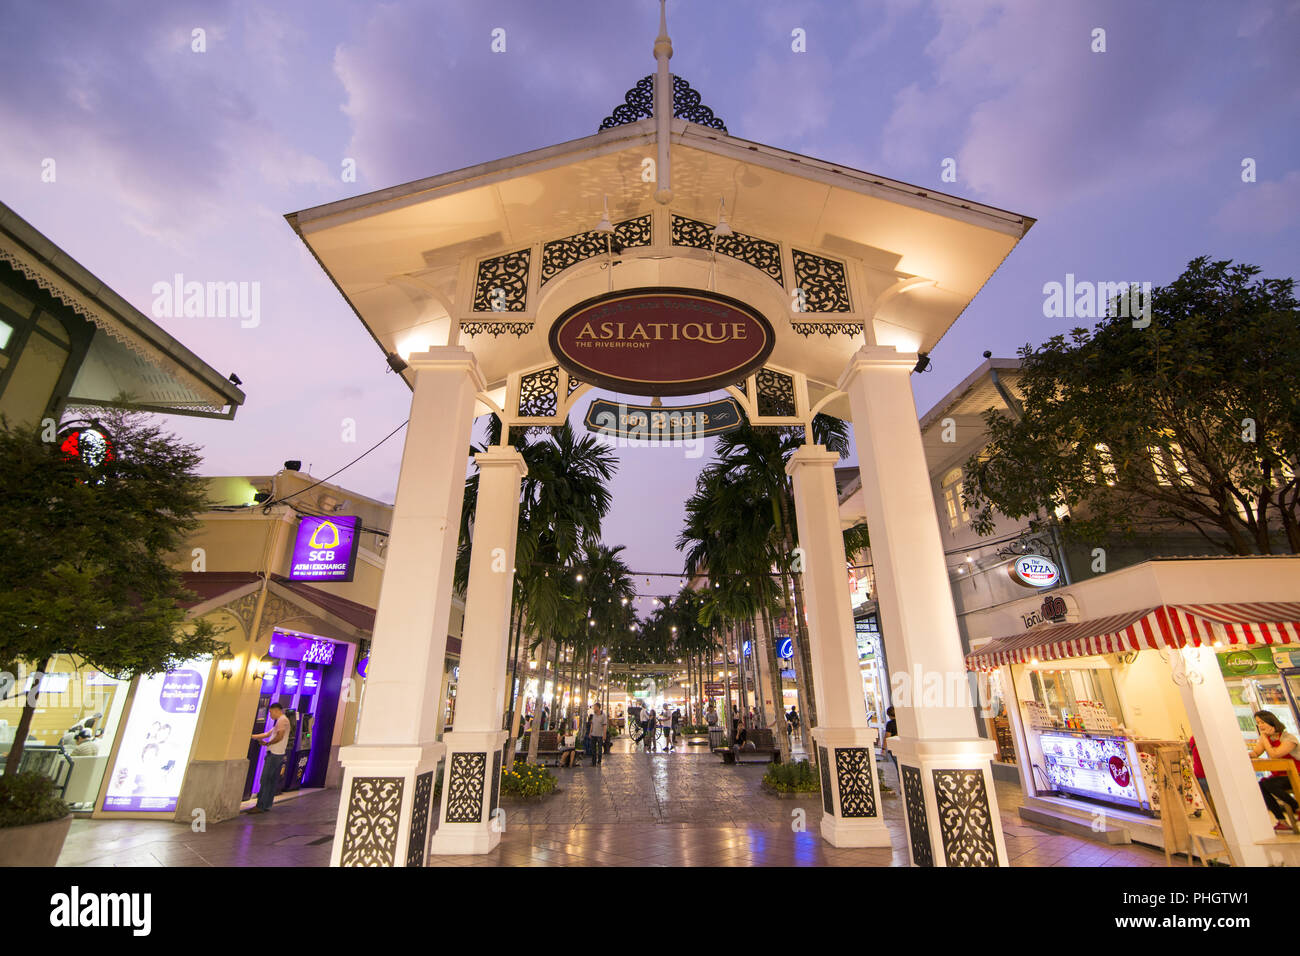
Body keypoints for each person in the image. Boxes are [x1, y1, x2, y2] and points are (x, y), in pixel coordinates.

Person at [1247, 710, 1300, 832]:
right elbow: (1256, 753)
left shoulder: (1288, 738)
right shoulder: (1266, 739)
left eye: (1262, 722)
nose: (1260, 725)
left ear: (1271, 721)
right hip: (1281, 776)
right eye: (1258, 723)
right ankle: (1282, 820)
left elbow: (1274, 754)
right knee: (1261, 785)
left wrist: (1264, 737)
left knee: (1268, 784)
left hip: (1296, 774)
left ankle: (1296, 807)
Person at [247, 702, 290, 813]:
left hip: (274, 755)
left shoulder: (282, 720)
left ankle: (260, 806)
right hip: (278, 754)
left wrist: (267, 744)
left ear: (276, 710)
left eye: (270, 712)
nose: (270, 715)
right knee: (271, 781)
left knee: (265, 780)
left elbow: (279, 736)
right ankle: (266, 805)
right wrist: (251, 736)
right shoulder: (281, 722)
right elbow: (267, 734)